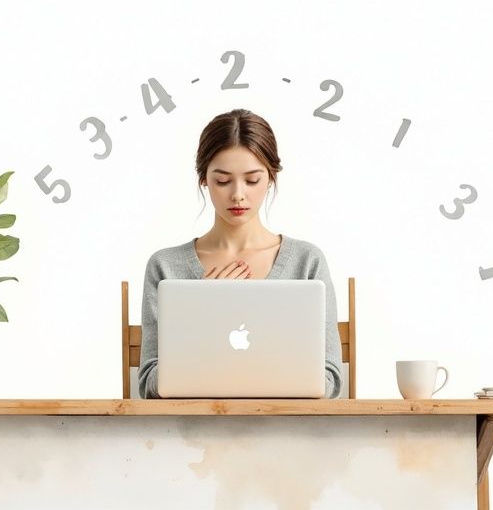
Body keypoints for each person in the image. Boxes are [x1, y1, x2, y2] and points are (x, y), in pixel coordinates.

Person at [137, 108, 344, 399]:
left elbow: (329, 382)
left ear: (270, 178)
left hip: (288, 433)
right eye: (222, 181)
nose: (237, 194)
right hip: (188, 436)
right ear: (204, 180)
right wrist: (201, 313)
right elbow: (149, 384)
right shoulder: (165, 267)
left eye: (252, 180)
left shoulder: (307, 262)